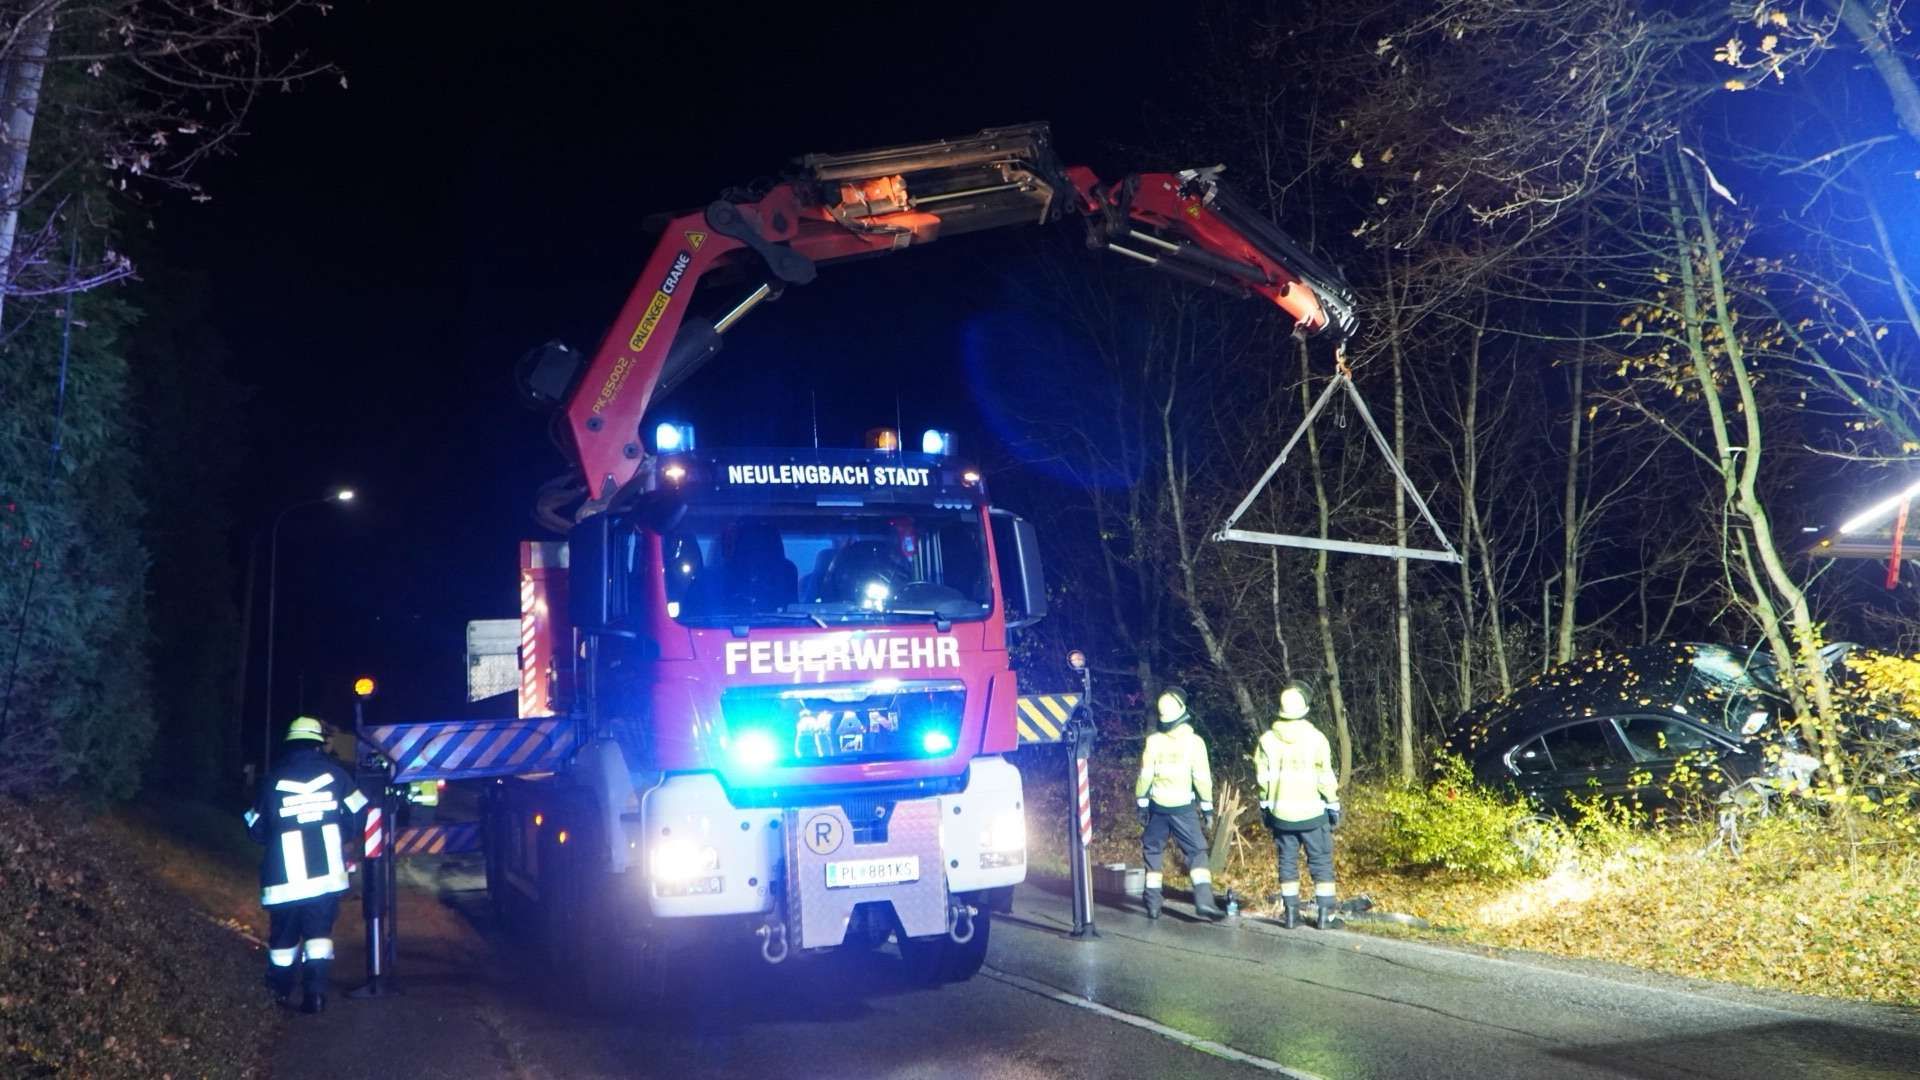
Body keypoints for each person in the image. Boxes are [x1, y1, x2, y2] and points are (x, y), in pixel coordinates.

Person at [245, 716, 369, 1013]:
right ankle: (315, 996)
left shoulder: (272, 780)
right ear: (318, 745)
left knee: (283, 942)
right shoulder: (337, 776)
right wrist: (342, 833)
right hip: (325, 879)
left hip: (283, 882)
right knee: (318, 938)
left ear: (290, 745)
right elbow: (359, 811)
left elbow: (255, 829)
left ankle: (278, 994)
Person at [1255, 681, 1341, 929]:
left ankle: (1291, 914)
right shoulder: (1316, 738)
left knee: (1287, 862)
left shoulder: (1267, 740)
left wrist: (1265, 806)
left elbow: (1263, 779)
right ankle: (1325, 916)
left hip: (1282, 815)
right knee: (1321, 862)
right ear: (1305, 708)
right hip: (1313, 814)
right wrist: (1333, 804)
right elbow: (1325, 776)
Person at [1135, 686, 1224, 920]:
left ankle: (1153, 904)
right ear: (1183, 711)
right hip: (1183, 809)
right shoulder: (1195, 743)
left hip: (1157, 807)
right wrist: (1207, 808)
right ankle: (1204, 902)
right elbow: (1202, 778)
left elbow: (1145, 776)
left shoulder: (1154, 741)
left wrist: (1141, 802)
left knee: (1153, 850)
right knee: (1196, 852)